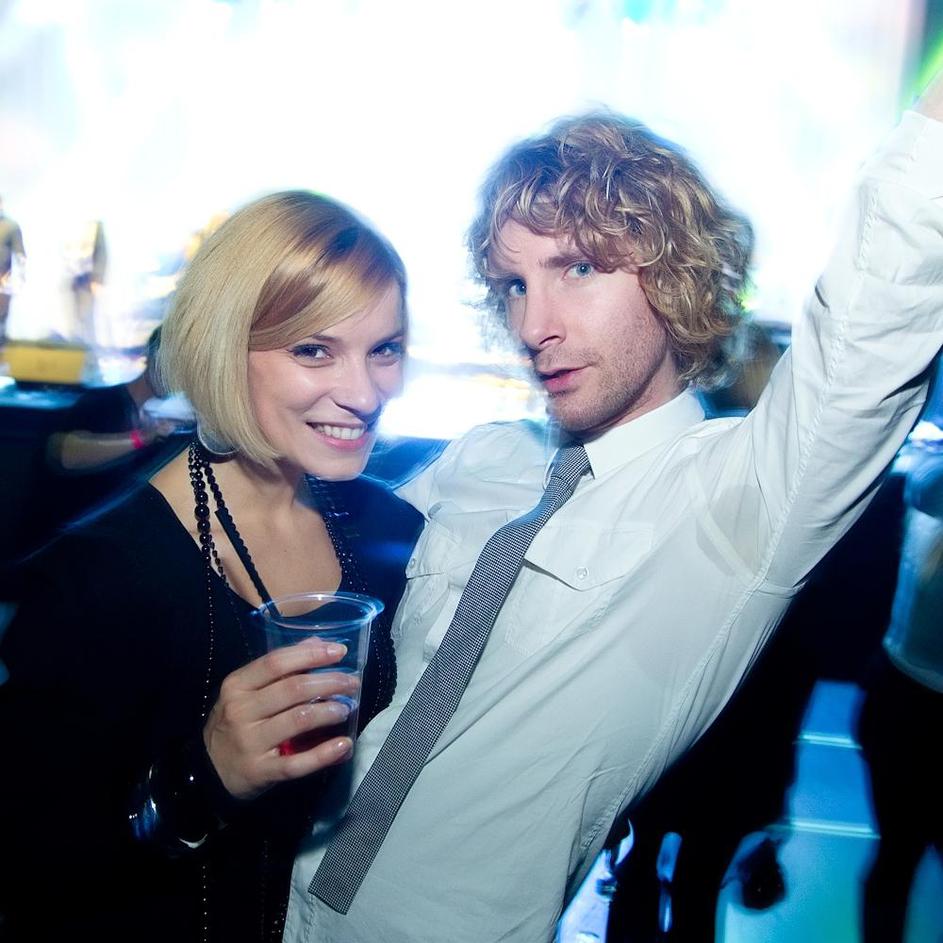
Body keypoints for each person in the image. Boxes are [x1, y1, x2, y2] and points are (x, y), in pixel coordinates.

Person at [284, 71, 943, 943]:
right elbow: (303, 556)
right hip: (277, 894)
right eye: (514, 284)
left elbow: (872, 324)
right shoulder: (485, 455)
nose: (533, 325)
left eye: (578, 267)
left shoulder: (734, 500)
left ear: (673, 276)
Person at [0, 191, 422, 941]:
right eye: (313, 350)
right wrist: (204, 774)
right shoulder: (99, 576)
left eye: (383, 349)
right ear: (225, 346)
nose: (365, 394)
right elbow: (27, 861)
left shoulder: (389, 531)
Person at [856, 440, 943, 943]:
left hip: (901, 700)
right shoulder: (932, 482)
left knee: (895, 856)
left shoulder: (930, 479)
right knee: (896, 855)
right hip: (905, 700)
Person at [0, 194, 27, 346]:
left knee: (1, 319)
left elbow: (20, 255)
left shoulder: (11, 226)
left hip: (3, 279)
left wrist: (17, 279)